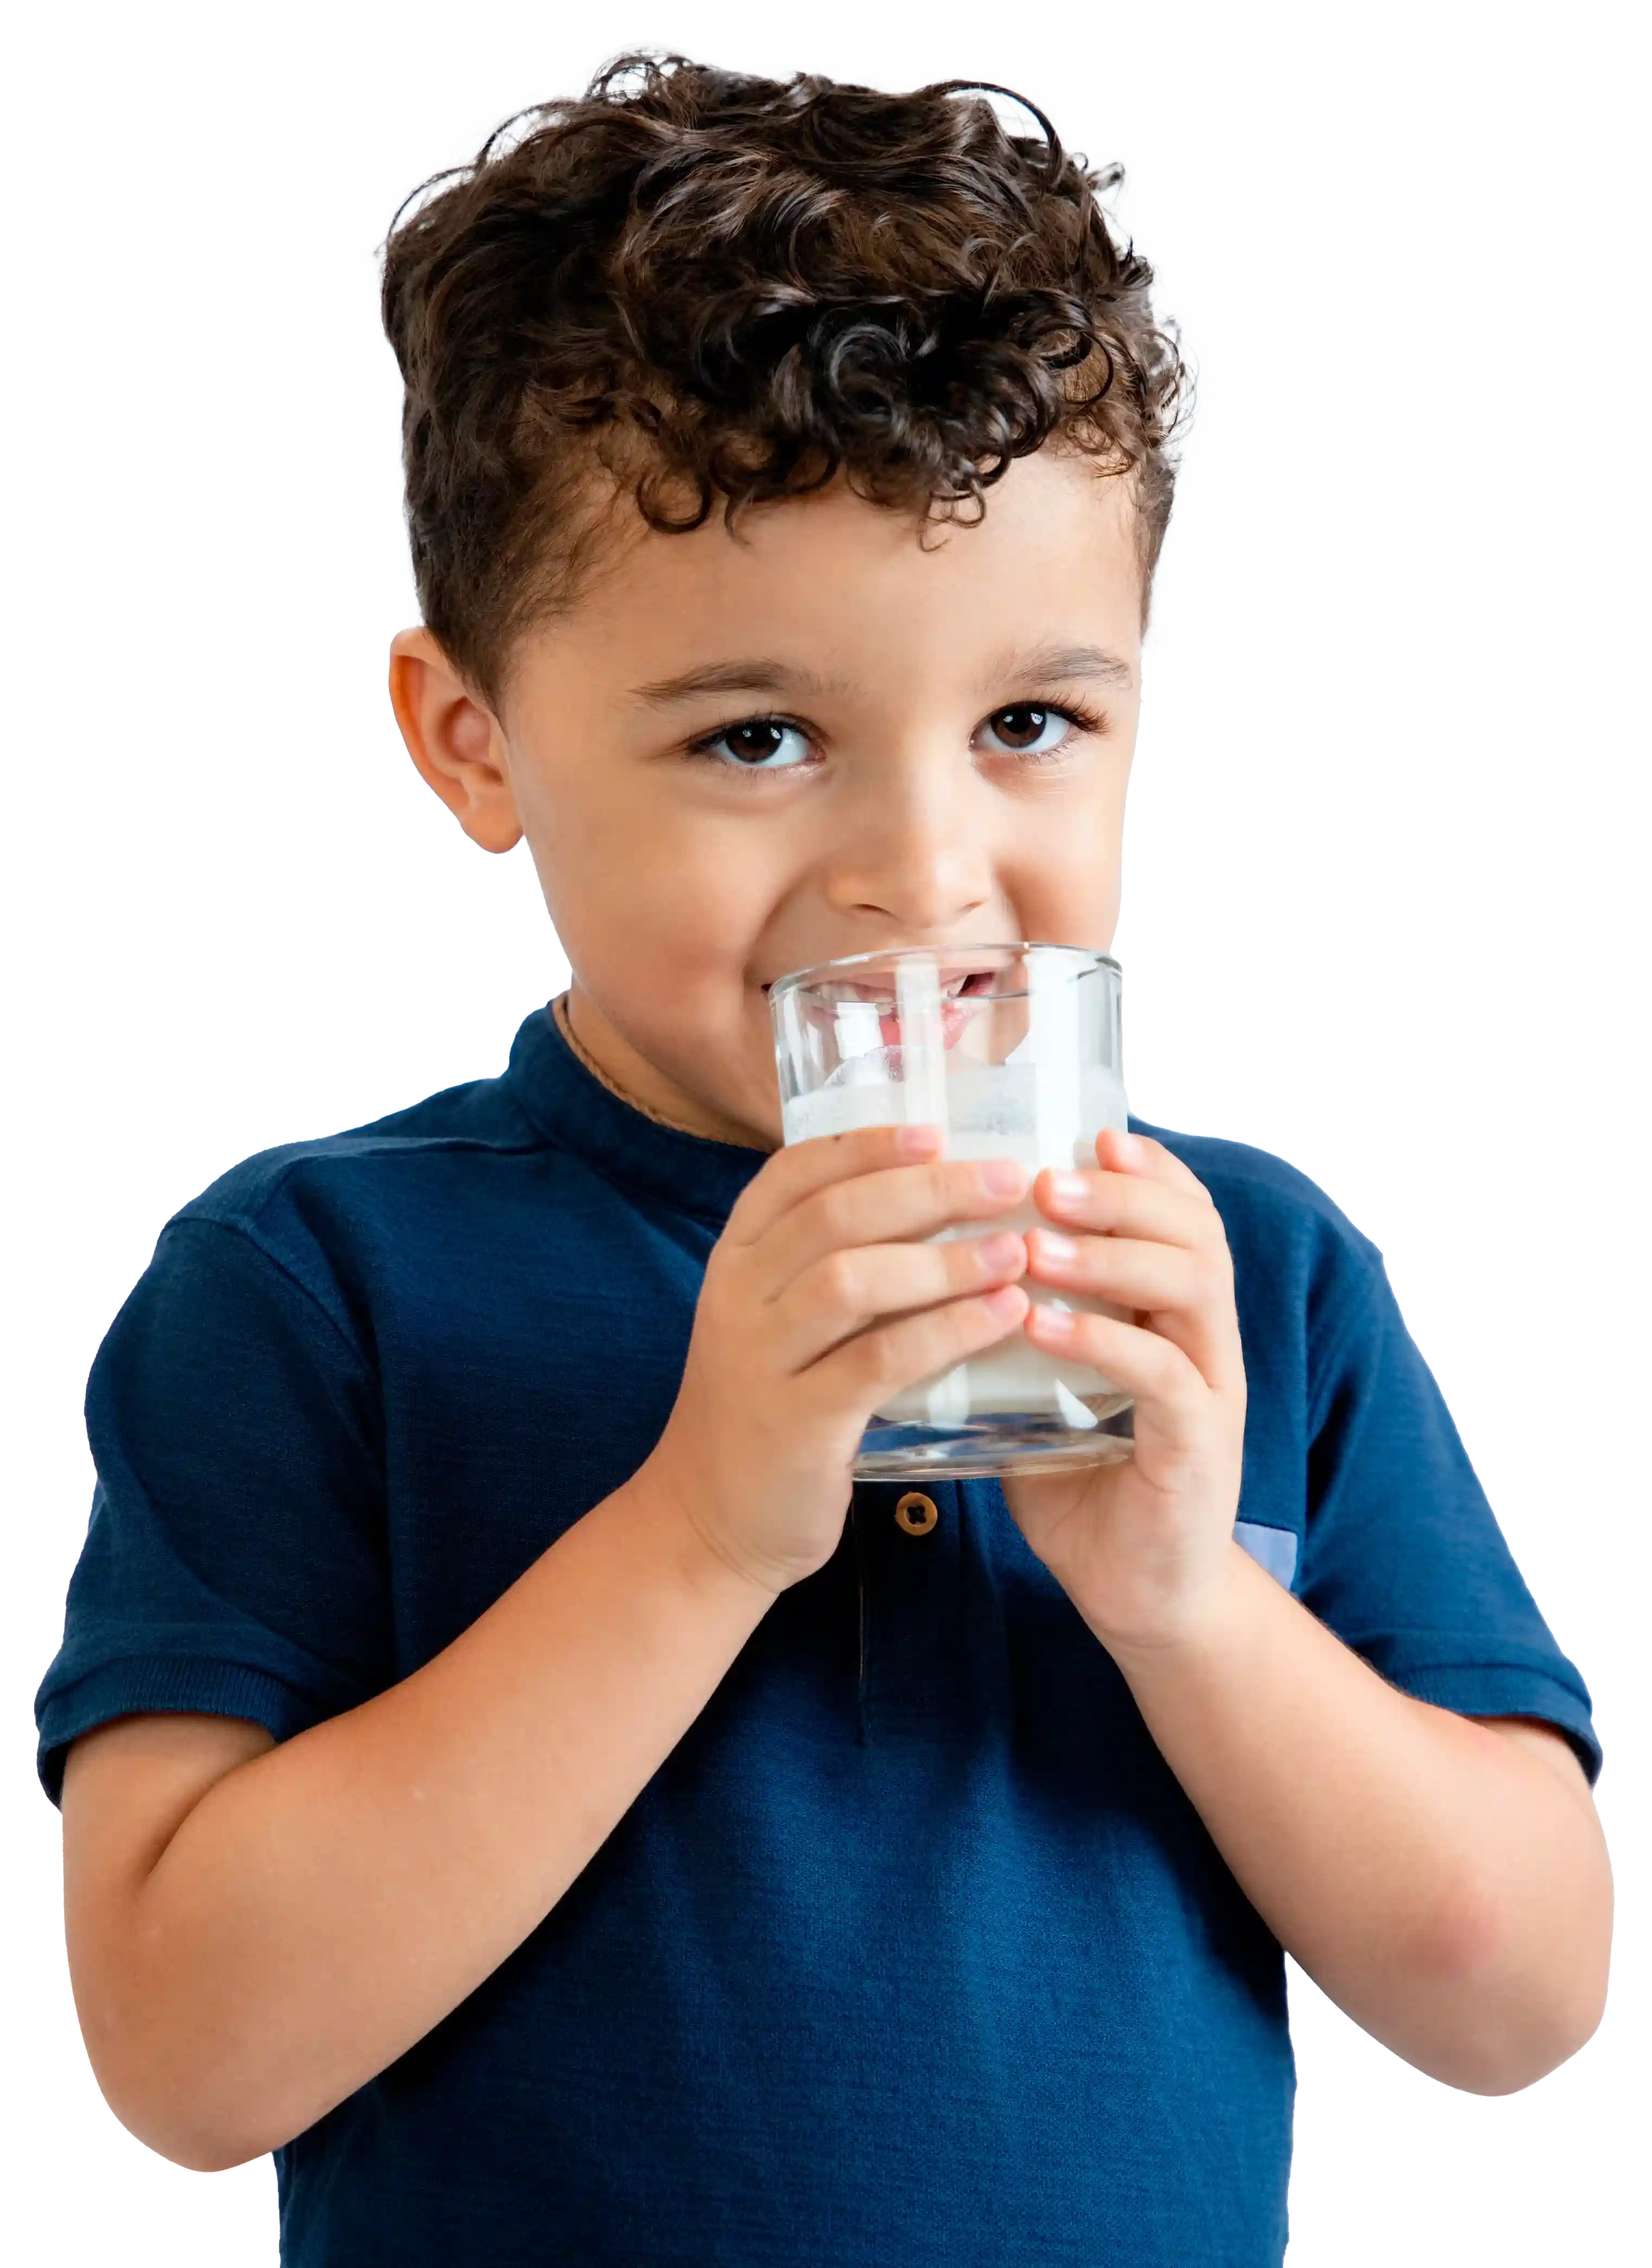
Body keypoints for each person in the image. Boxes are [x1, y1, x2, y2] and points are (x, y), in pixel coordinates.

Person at [36, 41, 1612, 2266]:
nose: (924, 872)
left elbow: (1514, 2005)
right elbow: (191, 2063)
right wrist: (694, 1531)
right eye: (758, 735)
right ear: (469, 742)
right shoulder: (318, 1281)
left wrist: (1182, 1604)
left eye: (1029, 722)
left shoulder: (1246, 1270)